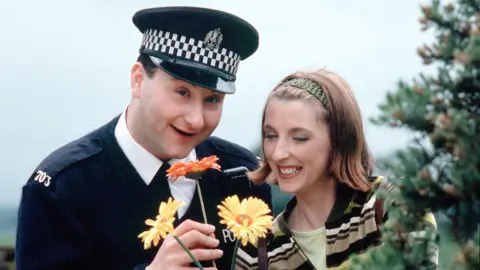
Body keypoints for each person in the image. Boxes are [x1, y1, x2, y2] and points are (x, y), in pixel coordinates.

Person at [15, 6, 271, 270]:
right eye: (182, 92)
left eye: (212, 100)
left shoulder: (243, 176)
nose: (196, 119)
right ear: (138, 80)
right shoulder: (61, 188)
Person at [235, 69, 438, 269]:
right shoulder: (256, 251)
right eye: (271, 135)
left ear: (339, 140)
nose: (278, 153)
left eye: (299, 138)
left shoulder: (393, 204)